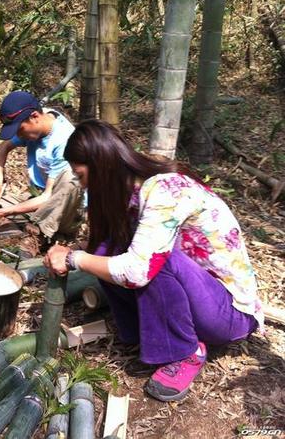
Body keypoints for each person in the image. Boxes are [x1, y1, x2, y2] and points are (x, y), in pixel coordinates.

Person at [44, 120, 264, 402]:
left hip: (229, 315)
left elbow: (138, 270)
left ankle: (185, 352)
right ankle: (146, 331)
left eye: (80, 174)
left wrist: (74, 258)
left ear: (100, 166)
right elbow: (106, 247)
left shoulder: (165, 189)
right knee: (108, 249)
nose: (81, 183)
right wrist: (77, 251)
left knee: (155, 261)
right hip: (202, 299)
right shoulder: (134, 193)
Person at [0, 90, 83, 257]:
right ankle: (9, 229)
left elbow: (48, 197)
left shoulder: (64, 141)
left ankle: (36, 235)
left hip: (63, 210)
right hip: (36, 201)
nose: (19, 135)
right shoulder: (42, 118)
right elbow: (3, 147)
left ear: (34, 117)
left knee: (70, 178)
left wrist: (5, 211)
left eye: (20, 130)